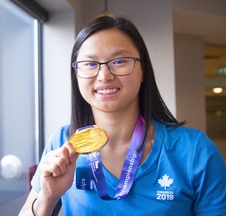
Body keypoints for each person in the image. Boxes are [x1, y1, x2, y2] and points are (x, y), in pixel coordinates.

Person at [19, 16, 226, 216]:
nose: (104, 75)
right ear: (76, 74)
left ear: (143, 70)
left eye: (119, 61)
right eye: (90, 64)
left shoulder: (194, 150)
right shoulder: (63, 143)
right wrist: (48, 197)